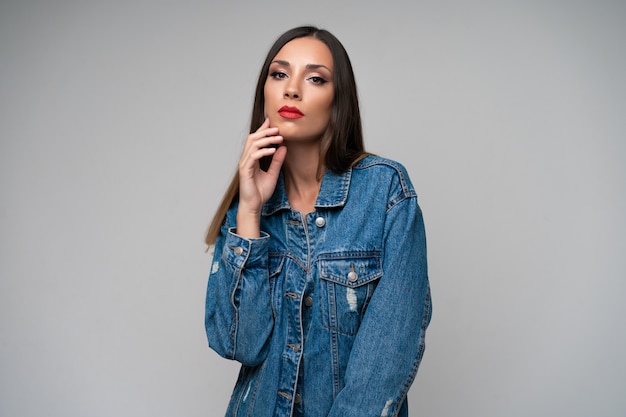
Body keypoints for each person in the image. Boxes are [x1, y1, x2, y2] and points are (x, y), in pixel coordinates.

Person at [204, 26, 431, 417]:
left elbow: (387, 357)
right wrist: (250, 211)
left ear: (337, 100)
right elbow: (239, 343)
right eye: (279, 74)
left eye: (315, 78)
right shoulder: (246, 212)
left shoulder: (384, 192)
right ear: (265, 92)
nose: (292, 90)